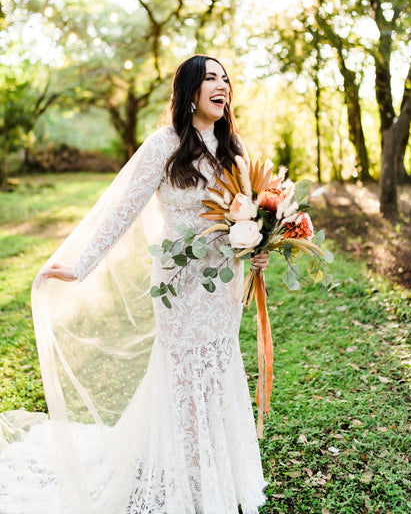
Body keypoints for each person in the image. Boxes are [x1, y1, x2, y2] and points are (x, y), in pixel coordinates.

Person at [2, 55, 269, 514]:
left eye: (225, 79)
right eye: (210, 78)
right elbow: (122, 211)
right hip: (179, 281)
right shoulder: (162, 145)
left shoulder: (235, 150)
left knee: (218, 370)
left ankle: (218, 469)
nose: (222, 85)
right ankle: (192, 479)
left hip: (223, 283)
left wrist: (257, 247)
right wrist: (77, 264)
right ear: (189, 92)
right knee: (184, 376)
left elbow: (245, 214)